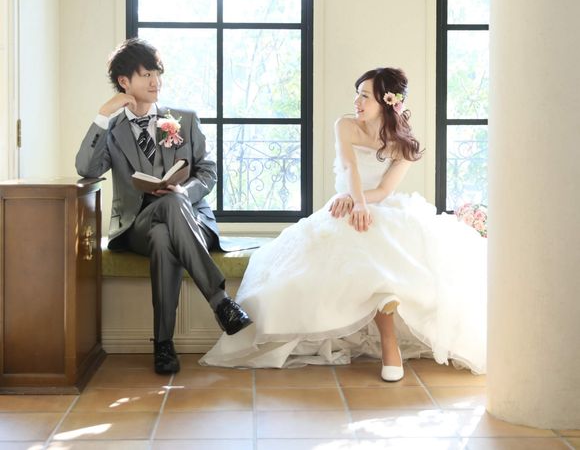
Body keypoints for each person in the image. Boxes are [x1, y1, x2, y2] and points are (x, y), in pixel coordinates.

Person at [200, 67, 487, 379]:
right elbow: (350, 168)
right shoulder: (346, 125)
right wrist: (354, 201)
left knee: (383, 248)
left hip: (378, 206)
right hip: (345, 207)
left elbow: (385, 190)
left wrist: (359, 201)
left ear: (386, 101)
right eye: (357, 94)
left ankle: (388, 326)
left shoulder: (404, 144)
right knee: (352, 245)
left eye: (365, 96)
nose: (357, 102)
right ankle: (384, 313)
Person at [76, 38, 252, 374]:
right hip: (136, 227)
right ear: (124, 81)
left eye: (157, 73)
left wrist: (184, 192)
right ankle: (220, 302)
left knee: (164, 231)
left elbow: (208, 172)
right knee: (157, 227)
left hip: (189, 219)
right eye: (146, 75)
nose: (155, 81)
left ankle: (163, 345)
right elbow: (86, 168)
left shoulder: (184, 119)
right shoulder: (112, 129)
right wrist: (102, 115)